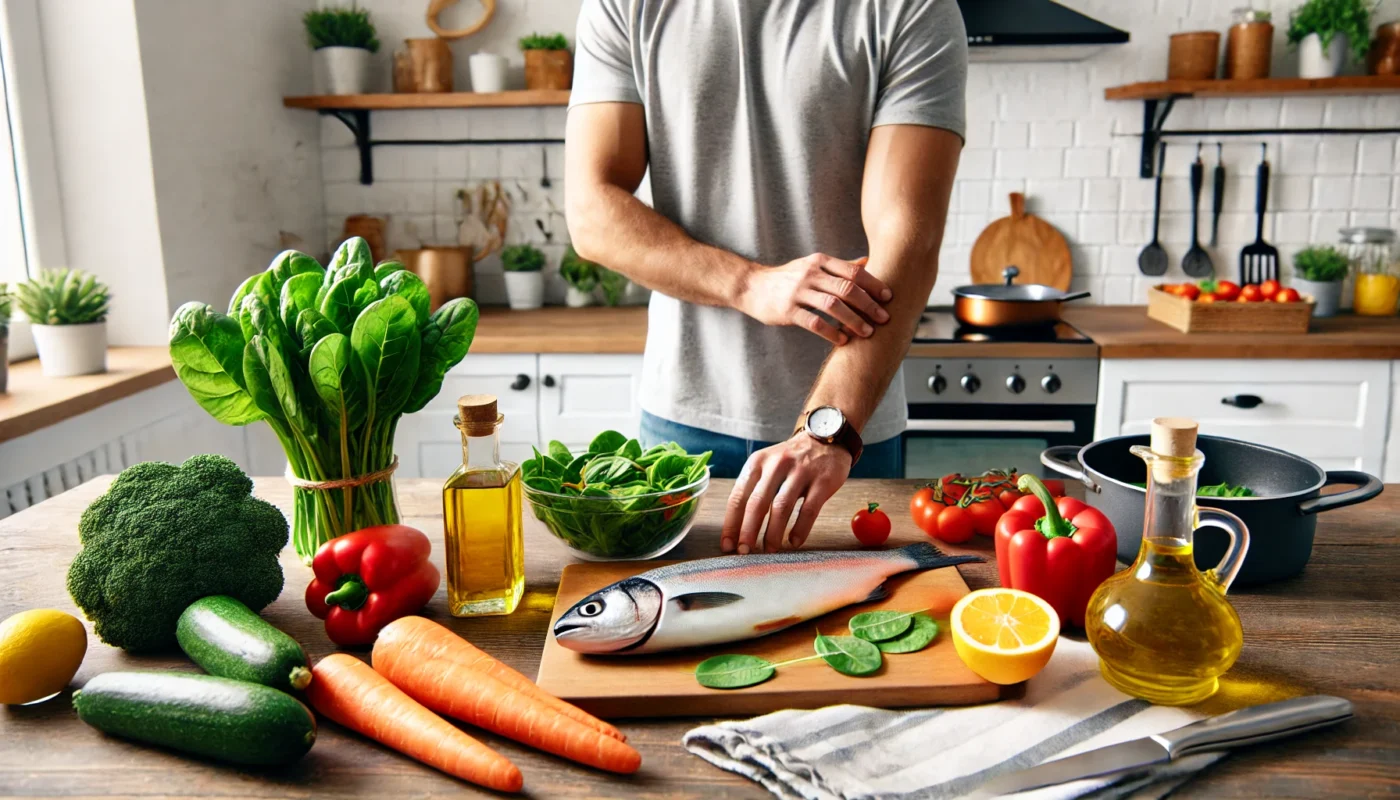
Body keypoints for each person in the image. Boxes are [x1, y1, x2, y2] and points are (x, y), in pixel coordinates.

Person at [565, 0, 966, 557]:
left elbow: (908, 243)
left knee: (868, 634)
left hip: (849, 433)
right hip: (683, 425)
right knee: (680, 632)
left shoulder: (910, 8)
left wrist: (828, 431)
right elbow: (591, 211)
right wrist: (750, 283)